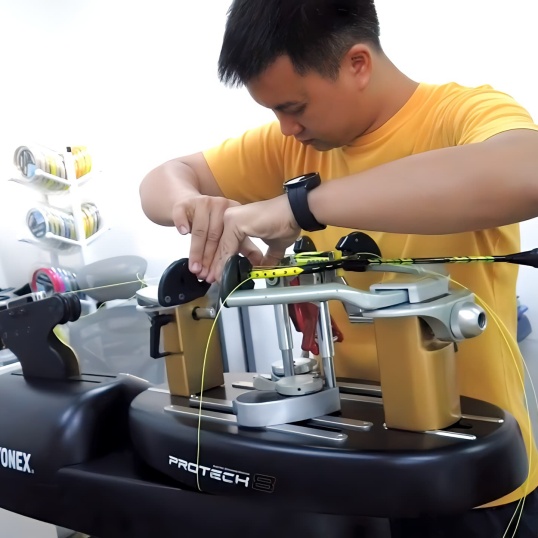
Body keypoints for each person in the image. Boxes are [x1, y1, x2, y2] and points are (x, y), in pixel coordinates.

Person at [139, 0, 538, 535]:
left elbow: (525, 169)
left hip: (464, 476)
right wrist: (193, 206)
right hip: (350, 459)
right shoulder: (292, 145)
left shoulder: (460, 114)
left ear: (356, 64)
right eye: (274, 113)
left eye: (294, 106)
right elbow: (164, 179)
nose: (285, 129)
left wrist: (300, 207)